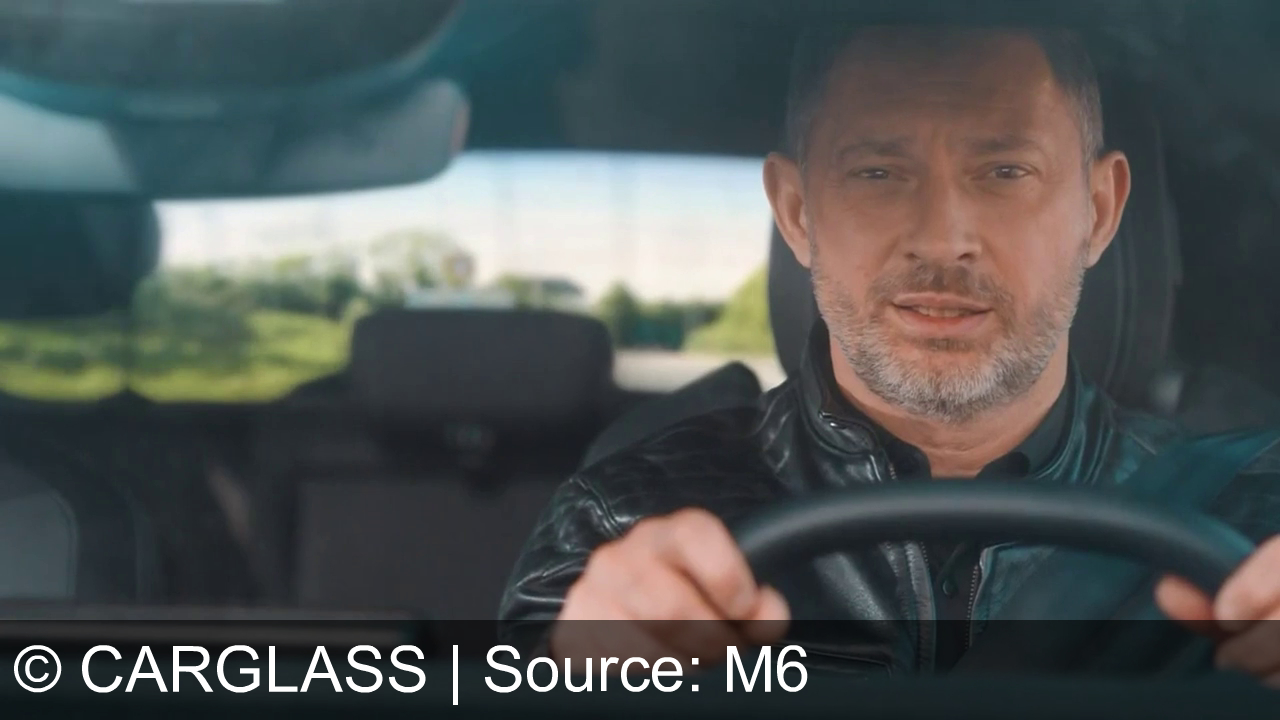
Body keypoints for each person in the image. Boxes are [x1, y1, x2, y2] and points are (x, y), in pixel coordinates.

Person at [499, 25, 1280, 682]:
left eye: (1004, 171)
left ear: (1100, 211)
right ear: (796, 213)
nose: (942, 239)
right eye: (877, 172)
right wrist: (580, 680)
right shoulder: (626, 526)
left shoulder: (1254, 526)